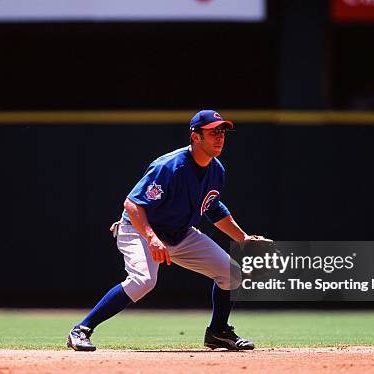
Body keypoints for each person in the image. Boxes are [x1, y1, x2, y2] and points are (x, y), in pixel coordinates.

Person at [67, 109, 266, 351]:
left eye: (222, 131)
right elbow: (132, 204)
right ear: (195, 136)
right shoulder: (170, 166)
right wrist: (151, 238)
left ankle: (218, 332)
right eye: (213, 131)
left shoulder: (216, 170)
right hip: (138, 229)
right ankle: (81, 329)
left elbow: (212, 206)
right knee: (143, 280)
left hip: (179, 232)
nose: (220, 136)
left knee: (231, 274)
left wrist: (243, 238)